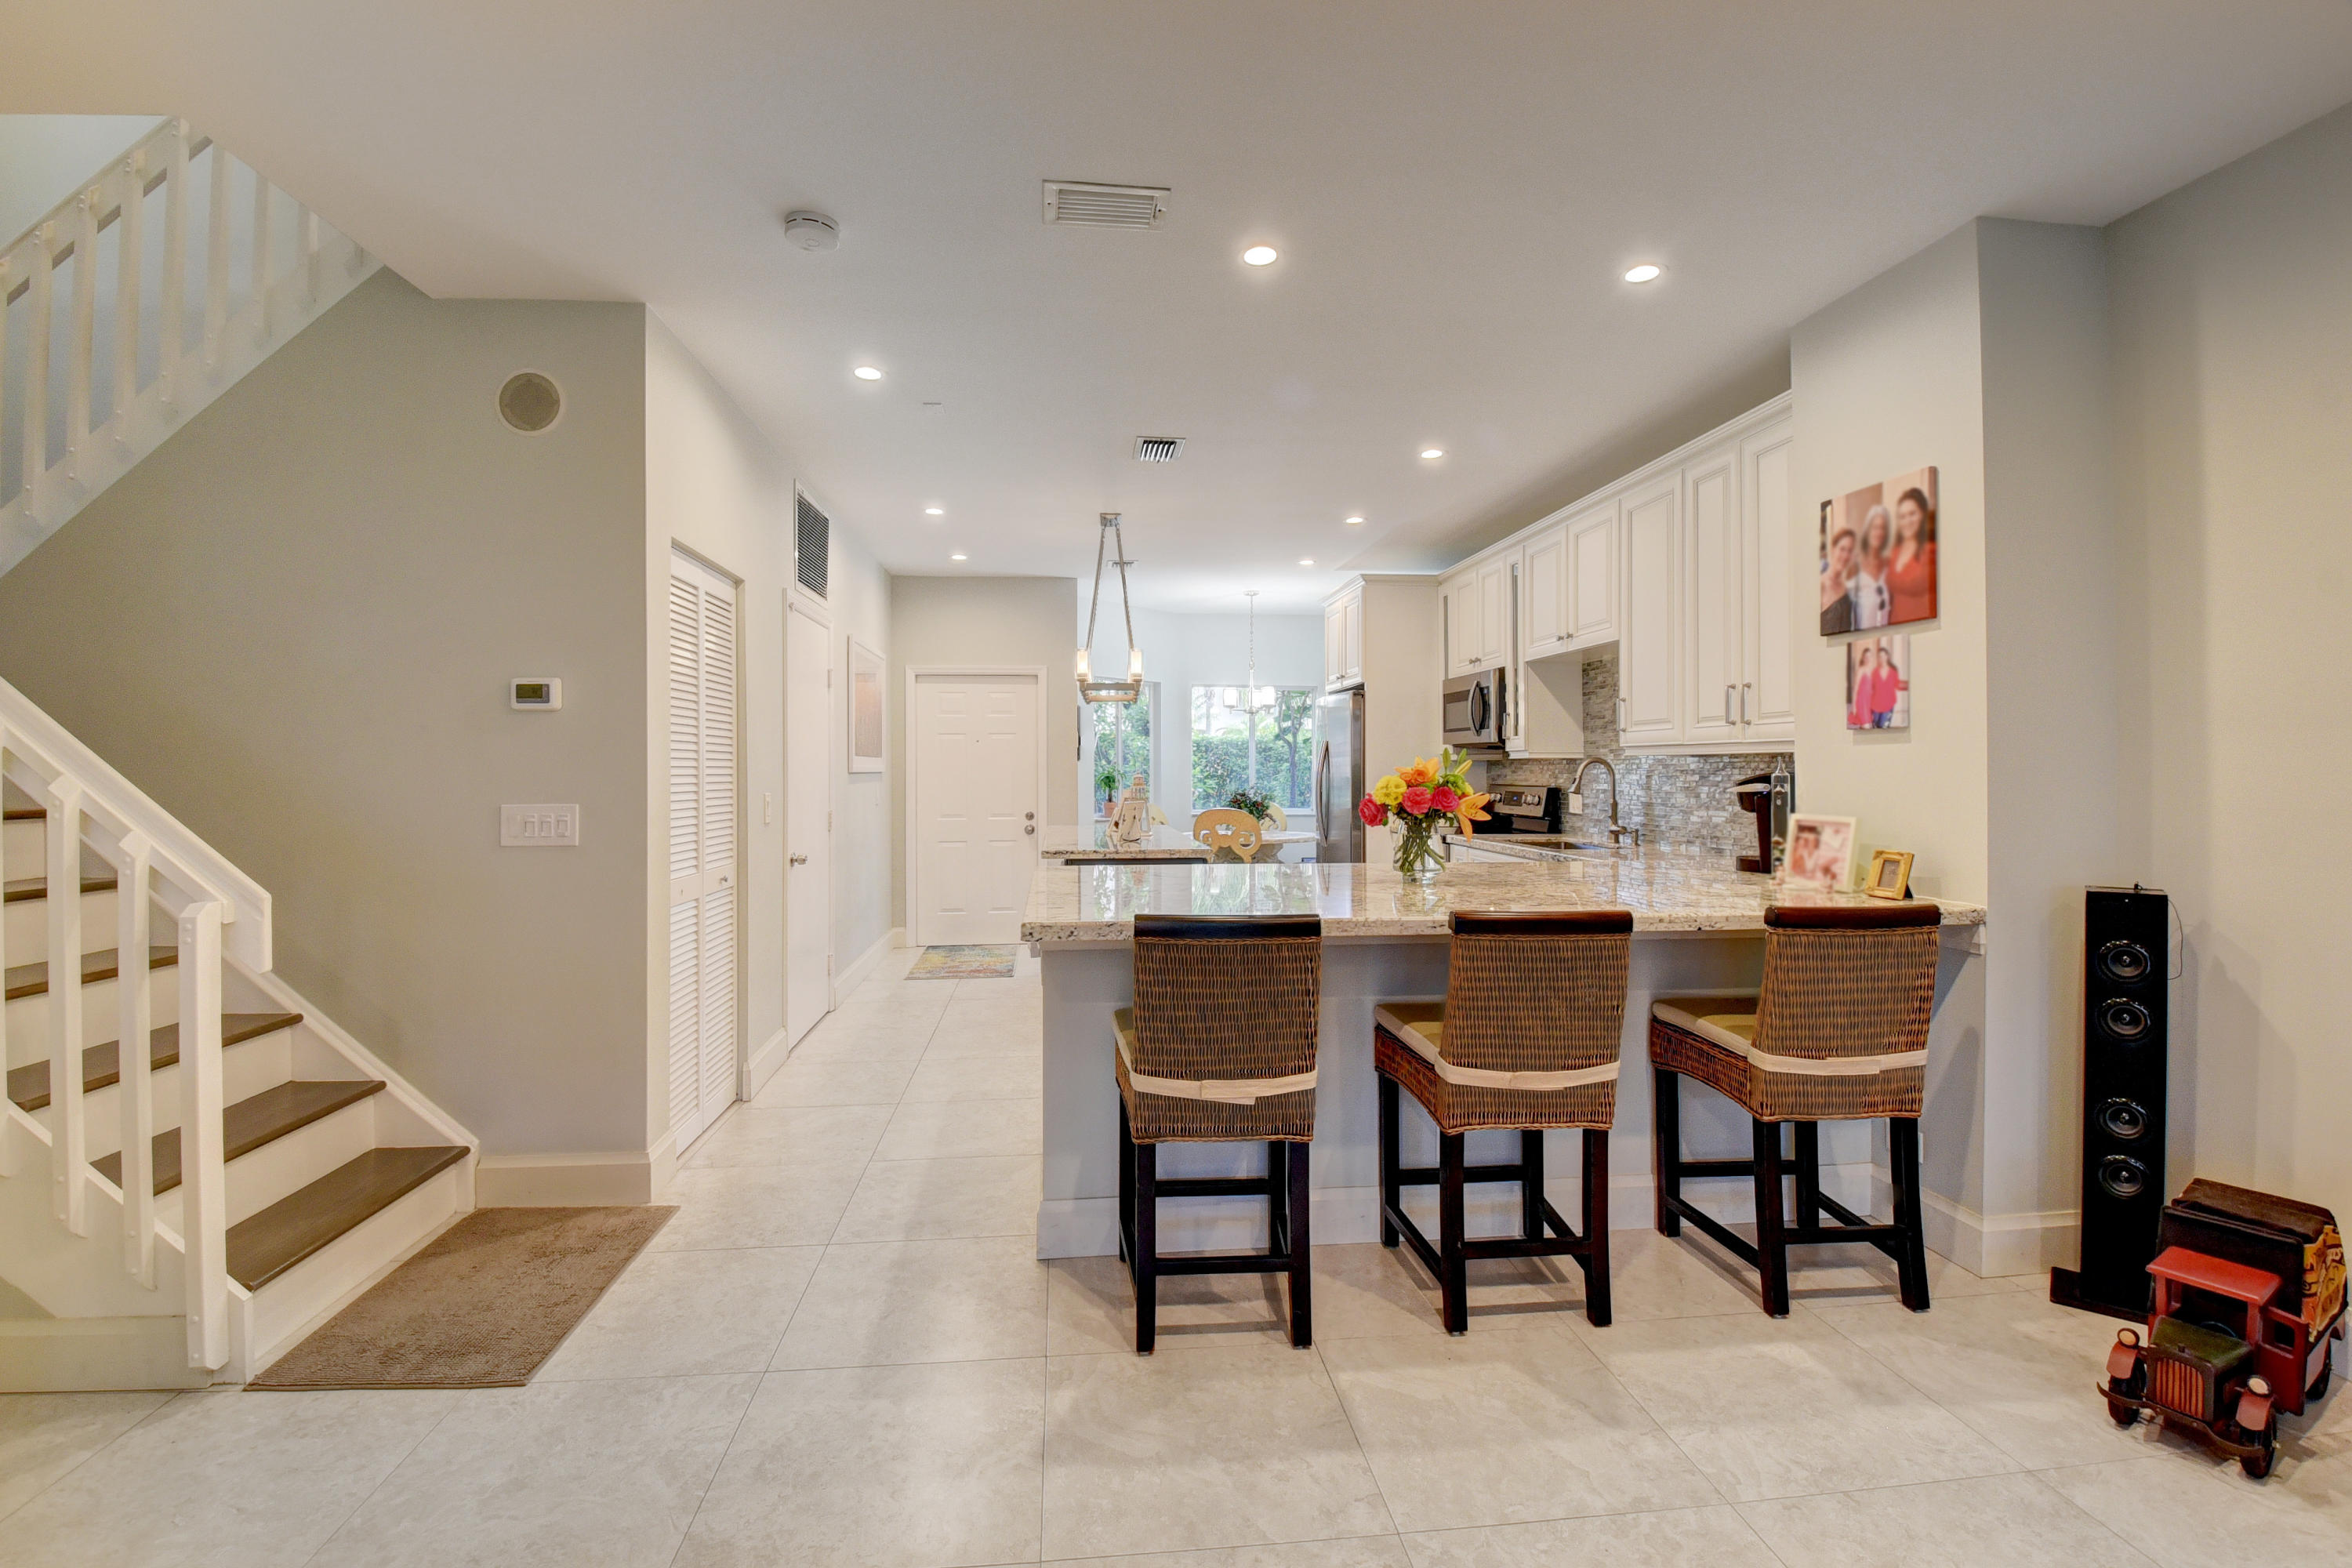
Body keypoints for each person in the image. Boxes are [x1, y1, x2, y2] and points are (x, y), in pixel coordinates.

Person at [1888, 486, 1938, 624]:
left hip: (1923, 628)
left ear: (1922, 515)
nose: (1907, 521)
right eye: (1902, 516)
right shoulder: (1895, 552)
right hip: (1895, 629)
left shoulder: (1931, 550)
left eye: (1912, 514)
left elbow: (1917, 585)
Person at [1852, 505, 1893, 629]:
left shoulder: (1889, 564)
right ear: (1867, 530)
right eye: (1875, 527)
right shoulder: (1855, 565)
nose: (1879, 533)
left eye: (1883, 528)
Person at [1820, 527, 1859, 635]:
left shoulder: (1846, 588)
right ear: (1833, 549)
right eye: (1842, 549)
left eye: (1850, 551)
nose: (1845, 556)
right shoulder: (1821, 585)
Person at [1868, 641, 1903, 728]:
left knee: (1884, 728)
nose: (1882, 658)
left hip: (1888, 704)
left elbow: (1897, 685)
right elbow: (1870, 689)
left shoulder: (1893, 672)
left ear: (1887, 657)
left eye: (1883, 656)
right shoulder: (1875, 672)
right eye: (1880, 656)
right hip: (1875, 705)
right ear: (1878, 658)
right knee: (1875, 729)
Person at [1848, 644, 1877, 729]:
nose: (1868, 659)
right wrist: (1854, 706)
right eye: (1866, 657)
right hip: (1861, 702)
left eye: (1869, 657)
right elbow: (1855, 689)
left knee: (1865, 726)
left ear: (1872, 658)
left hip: (1868, 703)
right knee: (1866, 726)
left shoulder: (1872, 670)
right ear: (1863, 658)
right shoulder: (1861, 670)